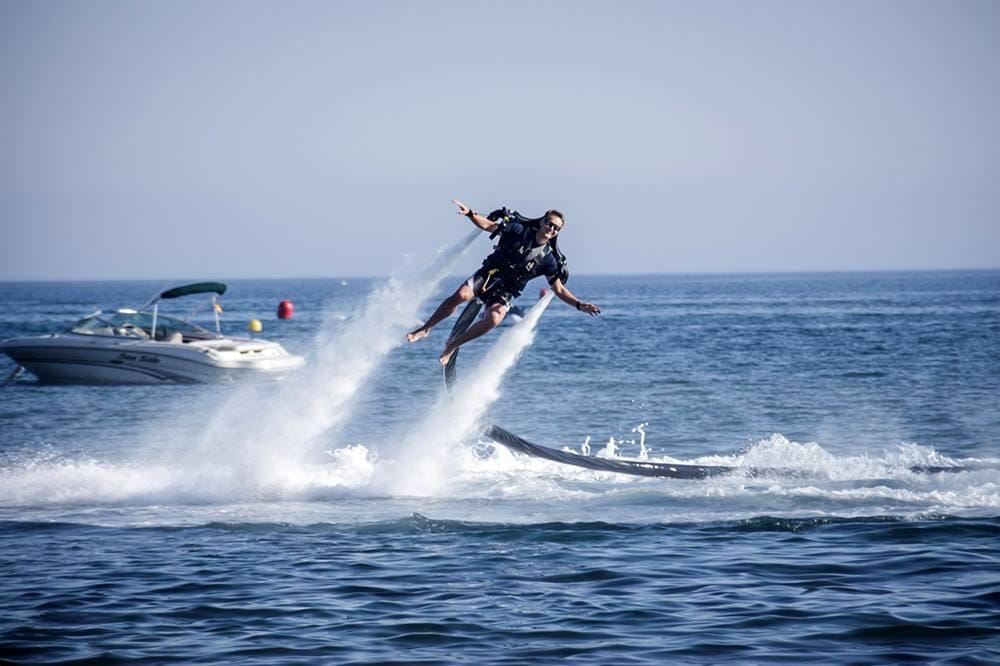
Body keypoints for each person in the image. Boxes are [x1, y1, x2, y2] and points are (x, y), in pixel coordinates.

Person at [408, 199, 601, 365]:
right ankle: (426, 328)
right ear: (542, 222)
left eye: (556, 228)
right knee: (461, 296)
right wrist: (470, 213)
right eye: (549, 224)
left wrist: (579, 304)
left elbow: (558, 289)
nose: (551, 229)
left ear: (557, 232)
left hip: (505, 292)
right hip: (488, 275)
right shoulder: (518, 230)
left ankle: (453, 345)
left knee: (493, 320)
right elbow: (488, 226)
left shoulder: (548, 259)